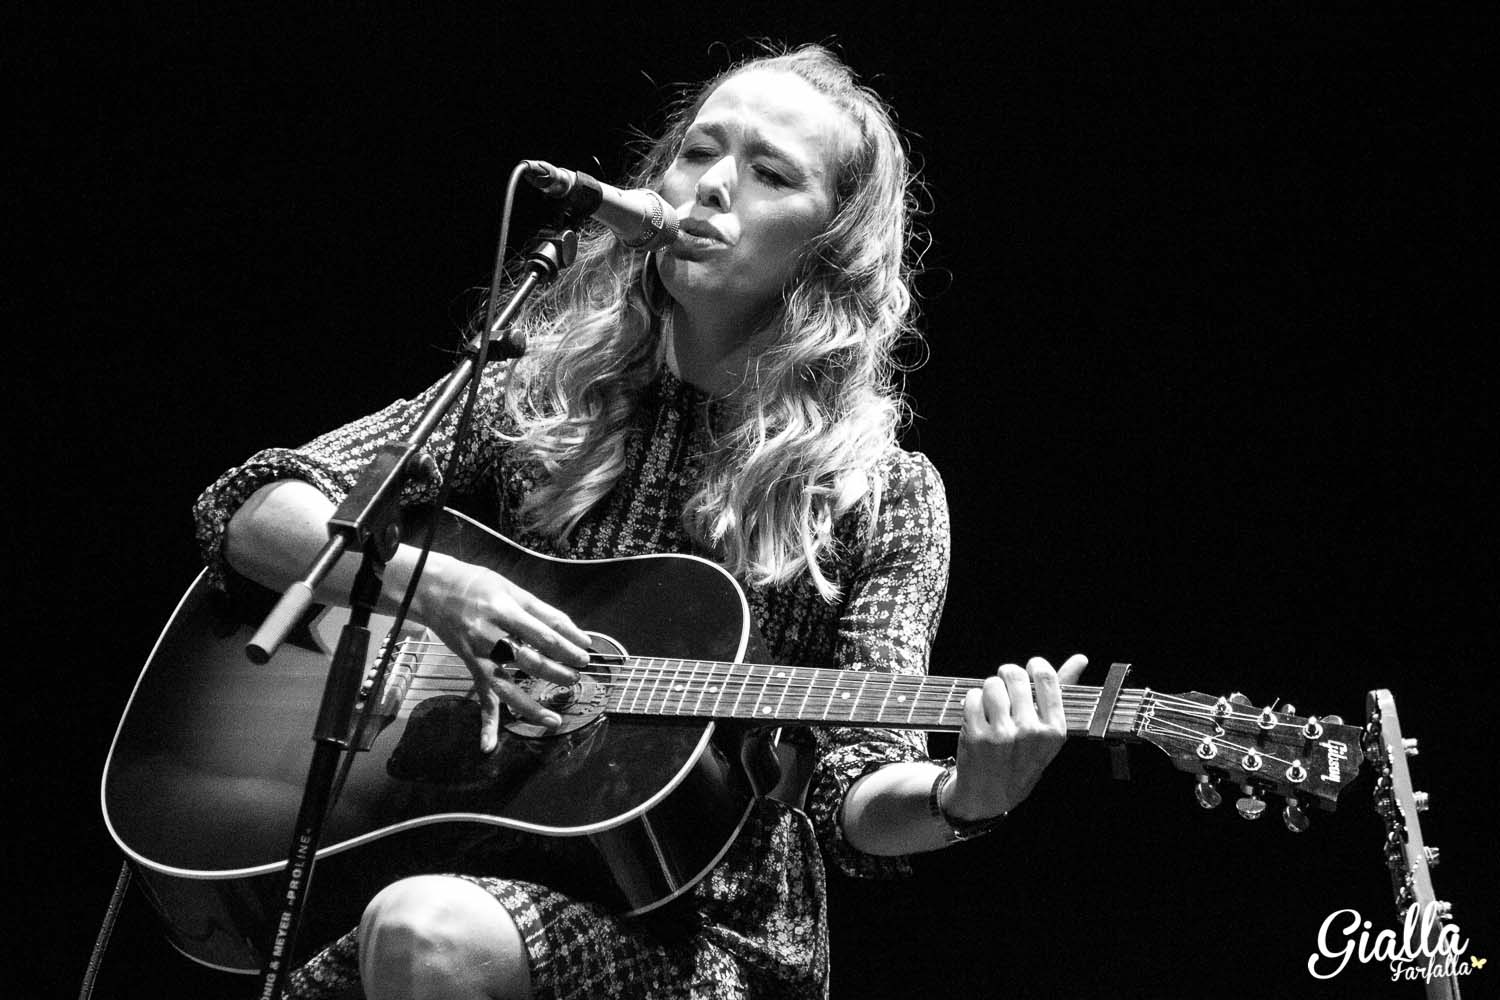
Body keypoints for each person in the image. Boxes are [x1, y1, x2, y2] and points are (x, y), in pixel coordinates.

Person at [194, 43, 1086, 1000]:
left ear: (832, 247)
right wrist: (440, 587)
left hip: (697, 934)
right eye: (698, 152)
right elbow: (250, 506)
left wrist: (965, 800)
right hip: (446, 856)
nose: (710, 187)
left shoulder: (881, 493)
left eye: (768, 171)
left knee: (427, 929)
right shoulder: (529, 396)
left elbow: (855, 795)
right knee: (413, 923)